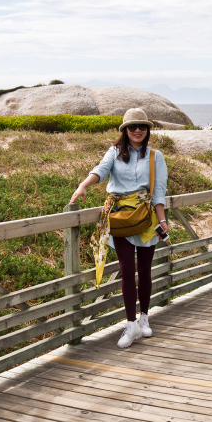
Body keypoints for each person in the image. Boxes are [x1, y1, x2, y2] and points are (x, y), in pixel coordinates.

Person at [70, 108, 168, 349]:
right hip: (120, 217)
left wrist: (162, 221)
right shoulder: (114, 152)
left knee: (145, 270)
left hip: (146, 218)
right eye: (132, 127)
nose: (137, 130)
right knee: (126, 270)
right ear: (125, 130)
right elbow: (100, 171)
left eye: (142, 127)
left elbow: (158, 193)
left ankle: (144, 317)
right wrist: (83, 185)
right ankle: (131, 322)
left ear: (147, 130)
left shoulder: (156, 156)